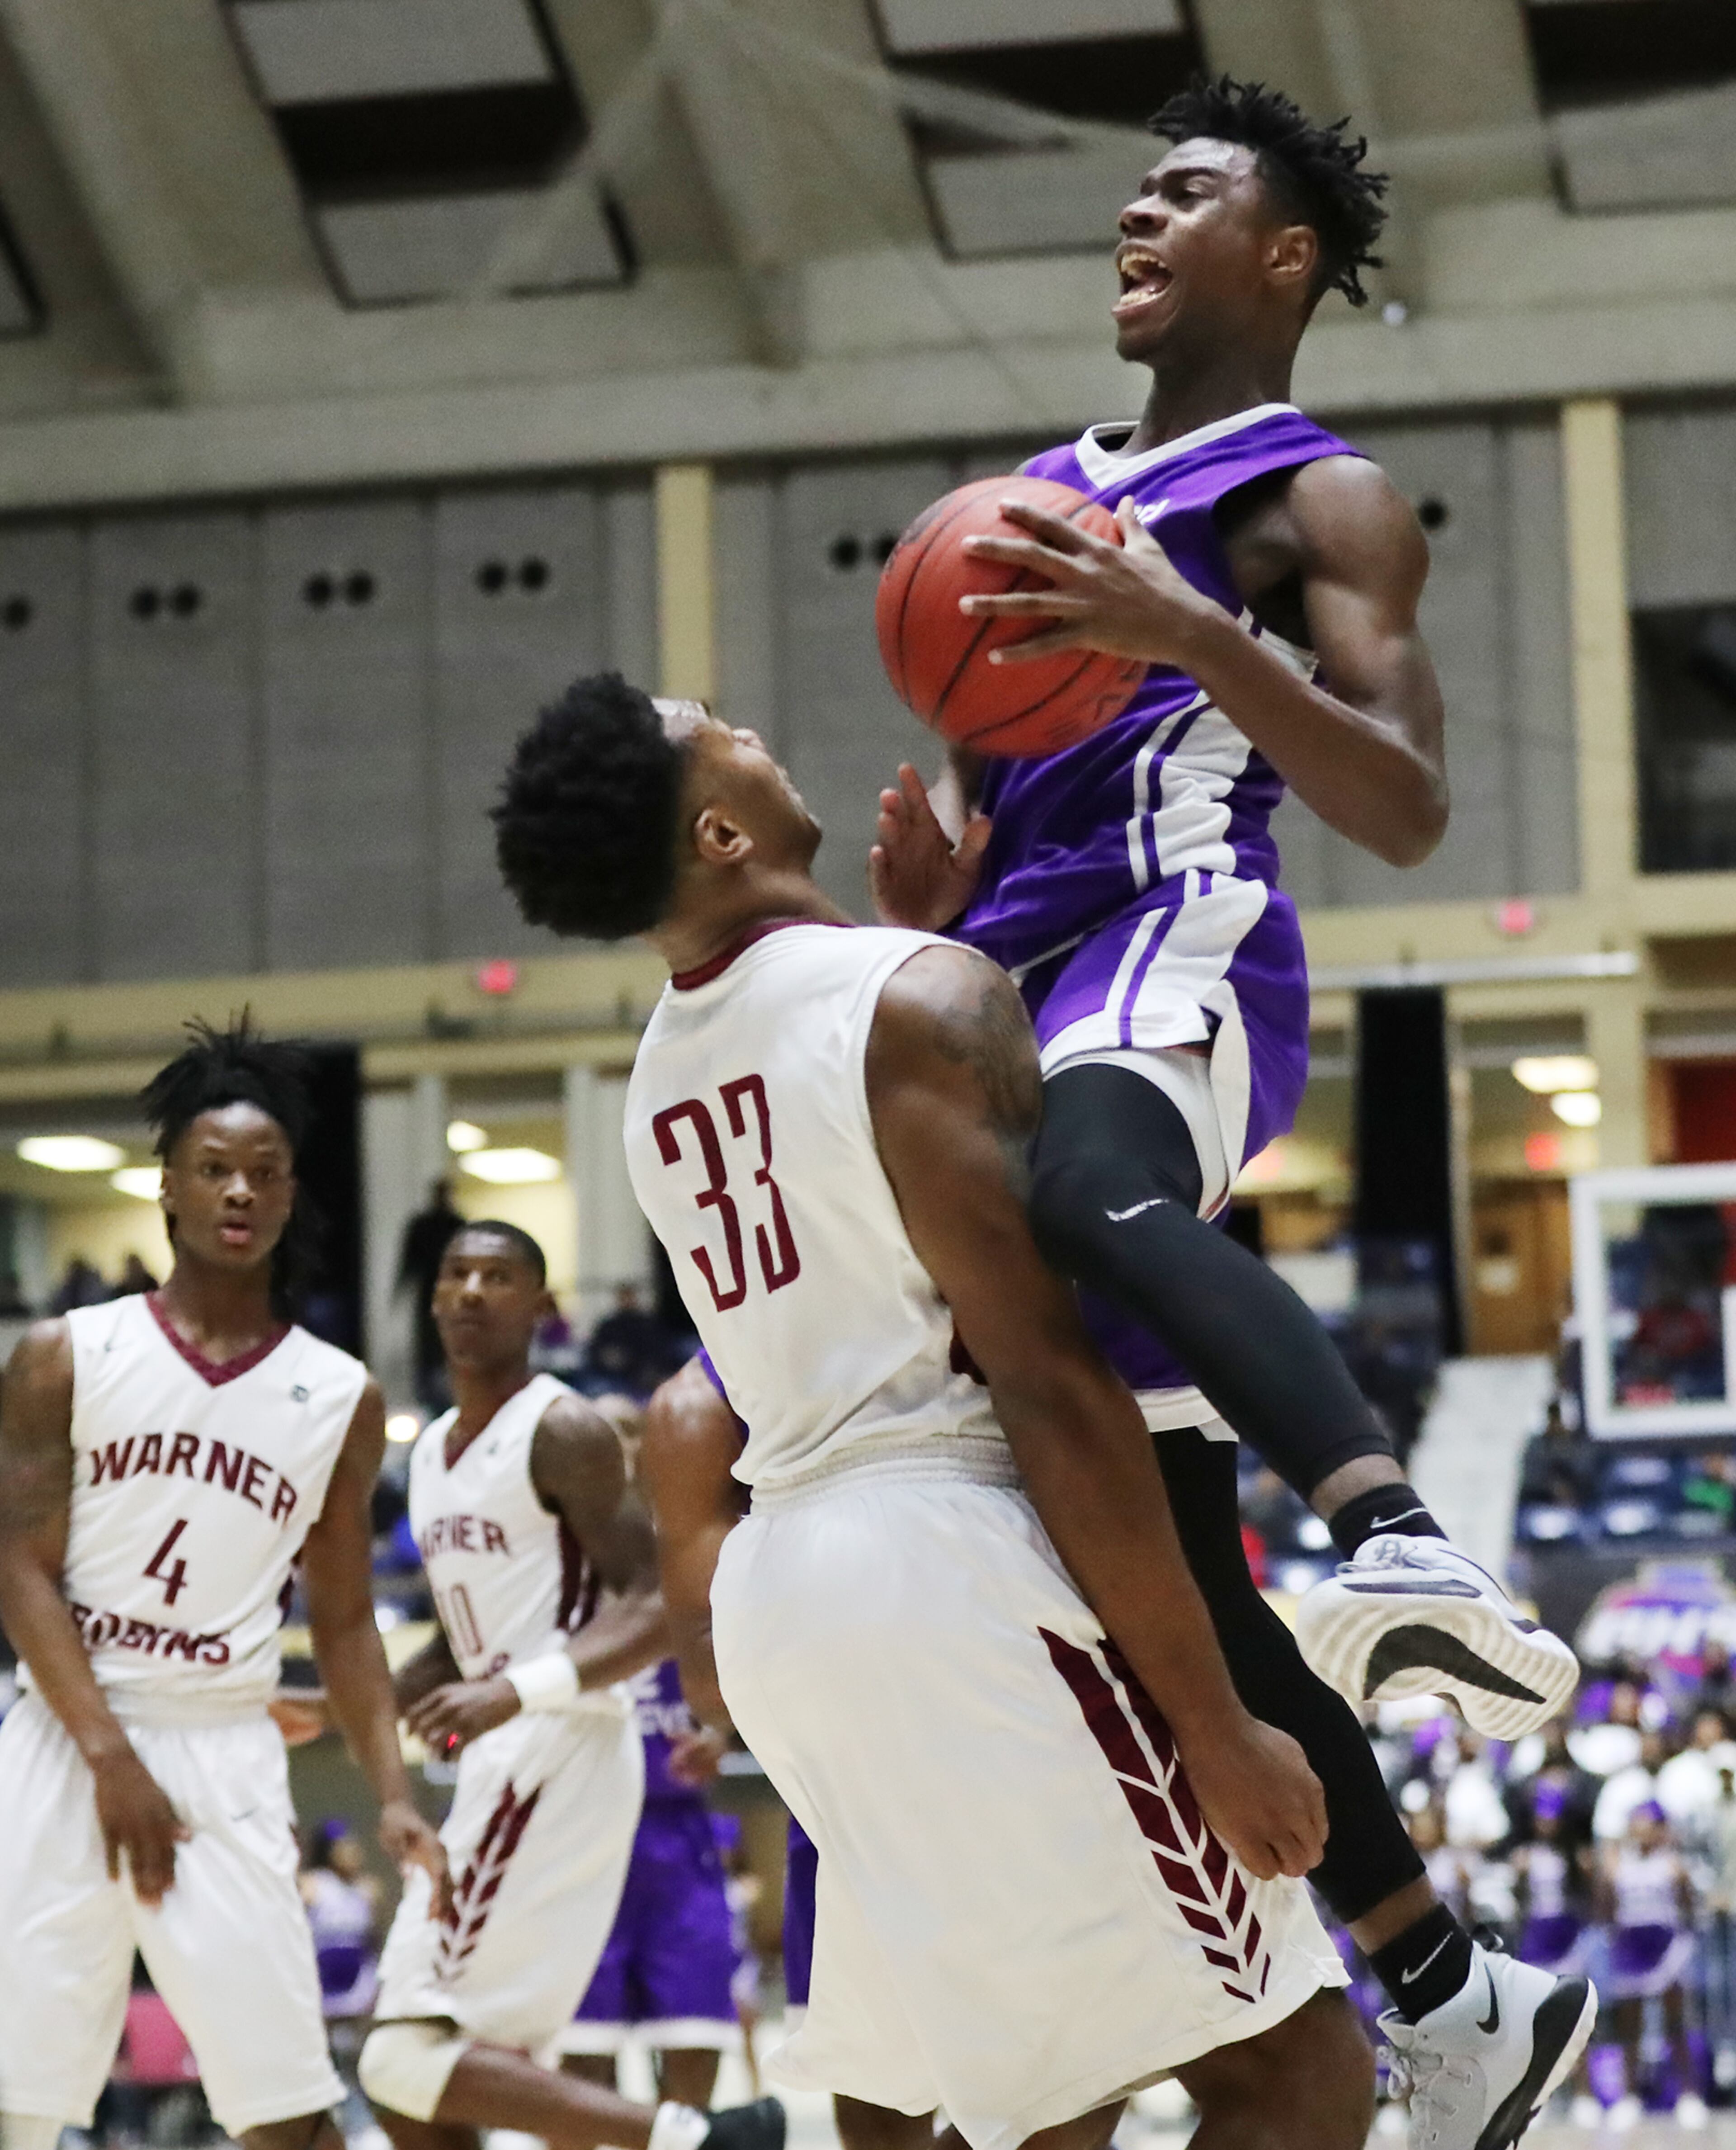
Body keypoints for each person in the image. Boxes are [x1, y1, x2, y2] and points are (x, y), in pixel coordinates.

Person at [865, 75, 1589, 2143]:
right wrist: (942, 898)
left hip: (1183, 944)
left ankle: (1396, 1527)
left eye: (1181, 195)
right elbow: (1014, 786)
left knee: (1100, 1182)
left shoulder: (1320, 496)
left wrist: (1196, 632)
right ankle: (1452, 1989)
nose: (1133, 216)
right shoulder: (1020, 499)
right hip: (1005, 981)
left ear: (1281, 256)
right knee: (1155, 1551)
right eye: (1129, 193)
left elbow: (1406, 795)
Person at [495, 670, 1389, 2150]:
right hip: (948, 1568)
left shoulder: (663, 1073)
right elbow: (1045, 1381)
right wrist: (1219, 1726)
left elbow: (828, 1084)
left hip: (801, 1593)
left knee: (932, 2101)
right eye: (720, 725)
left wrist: (924, 939)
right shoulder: (914, 999)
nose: (749, 719)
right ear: (719, 827)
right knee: (1294, 2072)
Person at [0, 1019, 448, 2150]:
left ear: (292, 1195)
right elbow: (18, 1565)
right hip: (66, 1737)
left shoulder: (337, 1394)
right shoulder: (67, 1352)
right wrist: (111, 1757)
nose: (238, 1192)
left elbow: (344, 1619)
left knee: (290, 2111)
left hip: (225, 1754)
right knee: (19, 2097)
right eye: (213, 1169)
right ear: (167, 1189)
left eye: (263, 1172)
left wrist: (391, 1788)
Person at [358, 1219, 781, 2150]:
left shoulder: (564, 1427)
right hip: (503, 1749)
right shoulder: (429, 1451)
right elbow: (463, 1644)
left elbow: (655, 1603)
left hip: (563, 1744)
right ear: (431, 1301)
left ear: (542, 1308)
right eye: (456, 1274)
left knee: (401, 2053)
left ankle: (695, 2137)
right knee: (416, 2079)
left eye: (499, 1276)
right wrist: (362, 1699)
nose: (472, 1290)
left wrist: (513, 1693)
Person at [638, 1355, 933, 2150]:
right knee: (864, 2069)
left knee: (1038, 2053)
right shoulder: (708, 1410)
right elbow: (707, 1673)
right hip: (828, 1790)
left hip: (952, 1731)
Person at [560, 1659, 742, 2108]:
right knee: (582, 2055)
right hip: (576, 1834)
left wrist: (725, 1731)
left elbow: (751, 1664)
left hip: (678, 1835)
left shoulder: (700, 1594)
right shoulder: (554, 1596)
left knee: (695, 2041)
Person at [1597, 1801, 1705, 2129]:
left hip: (1665, 1942)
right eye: (1637, 1823)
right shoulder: (1619, 1863)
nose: (1641, 1830)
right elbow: (1606, 1909)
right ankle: (1629, 2095)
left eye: (1648, 1824)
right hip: (1632, 1945)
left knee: (1675, 2021)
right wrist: (1606, 1875)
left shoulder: (1672, 1862)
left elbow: (1688, 1905)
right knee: (1631, 2023)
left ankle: (1689, 2094)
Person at [396, 1178, 466, 1412]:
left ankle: (450, 1395)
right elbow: (409, 1262)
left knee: (451, 1345)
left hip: (452, 1298)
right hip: (428, 1297)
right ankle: (427, 1399)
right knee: (428, 1349)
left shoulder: (457, 1225)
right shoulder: (424, 1225)